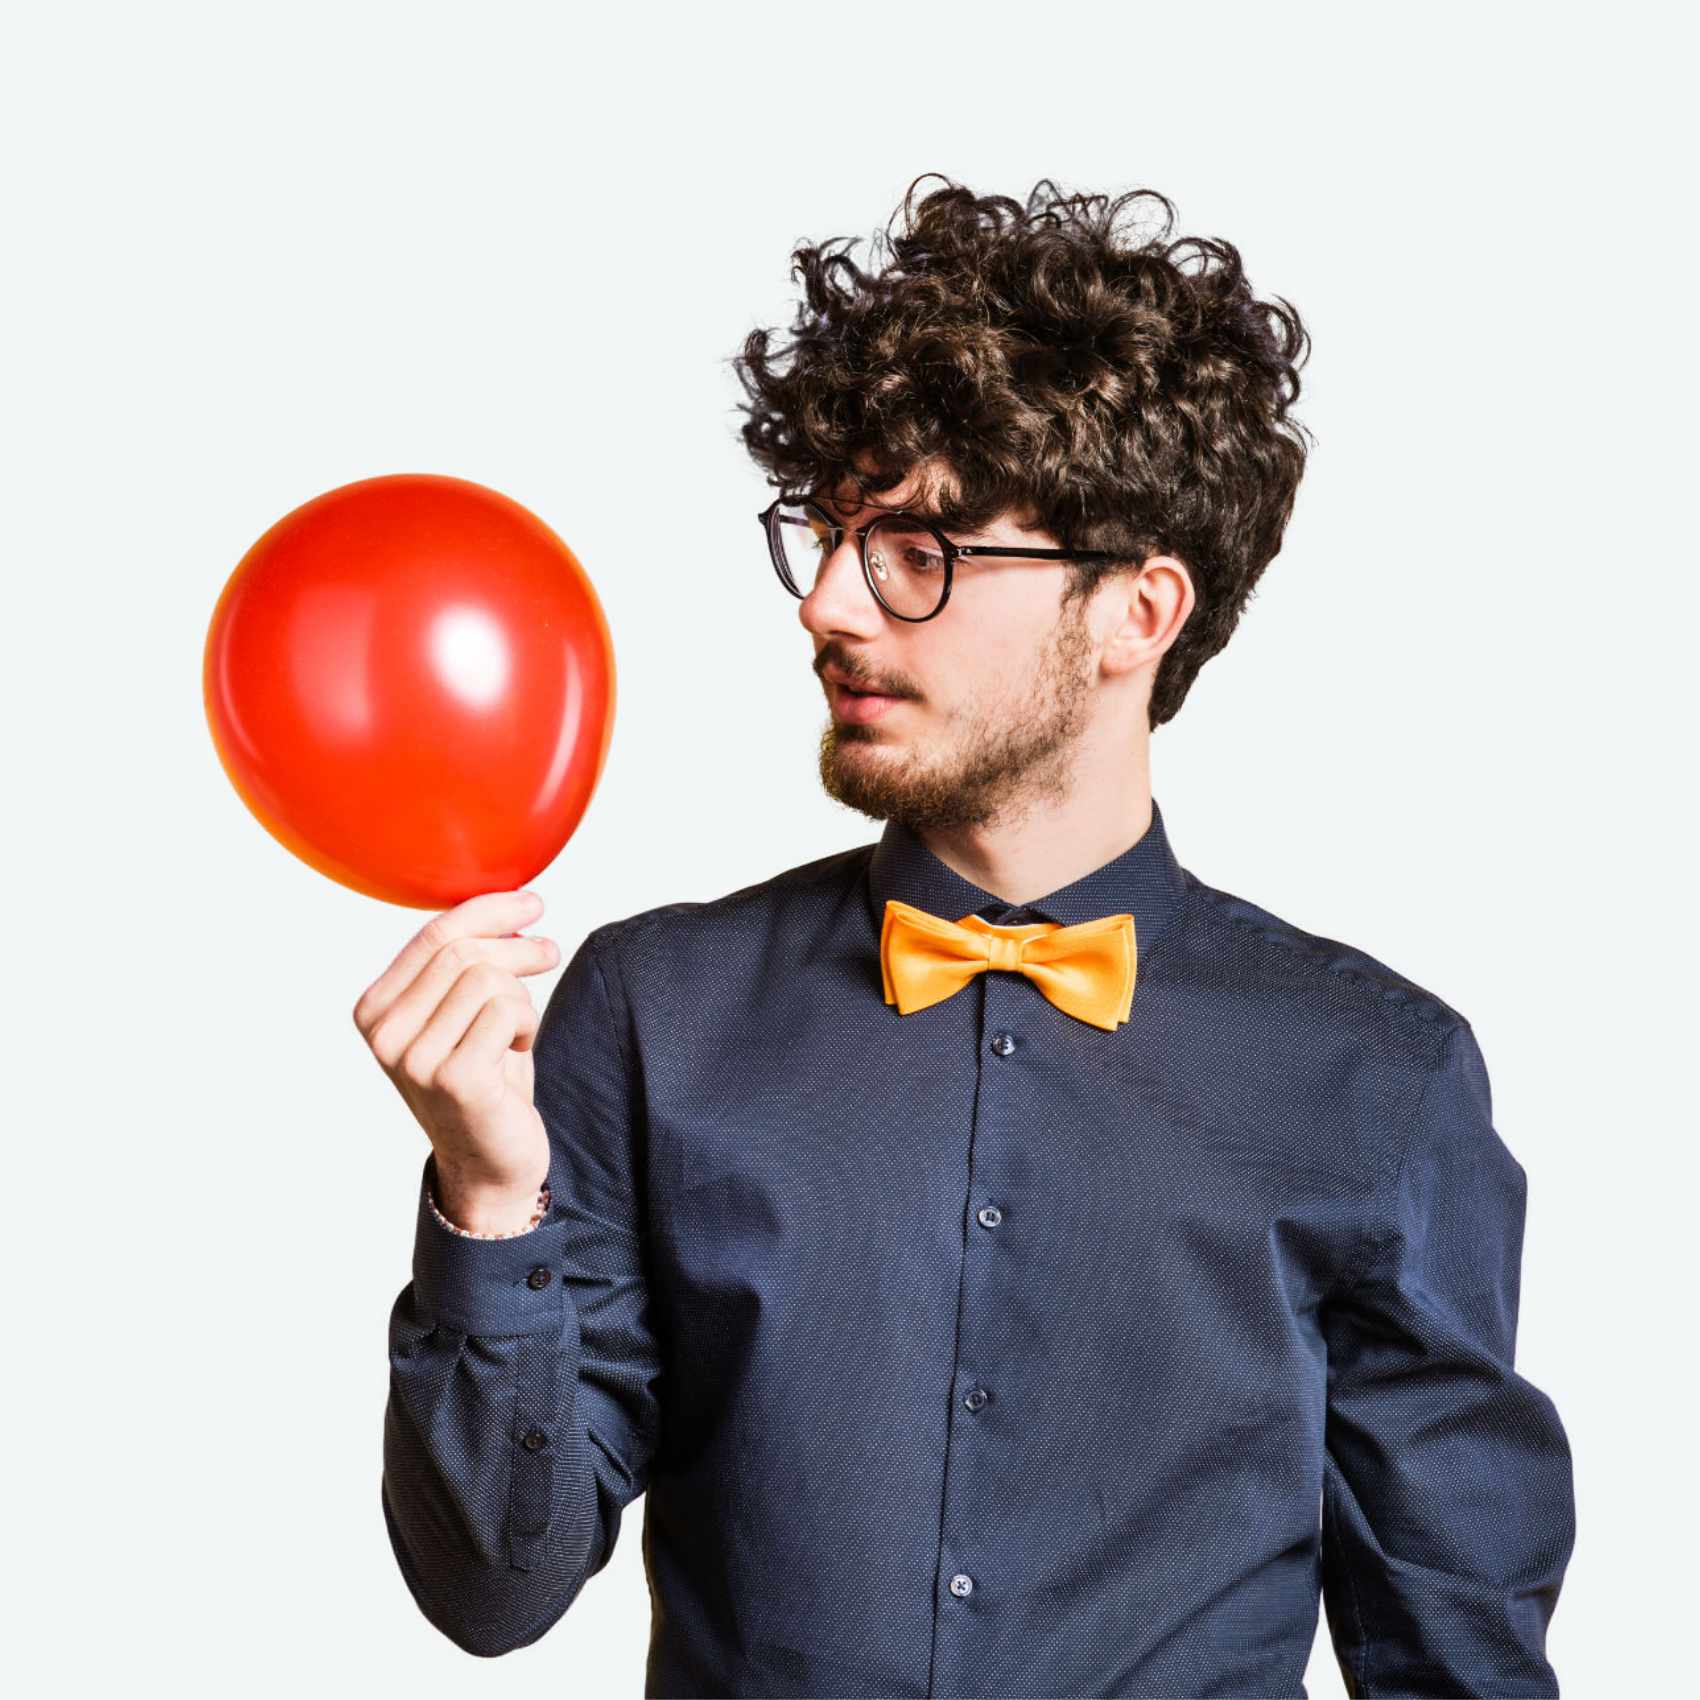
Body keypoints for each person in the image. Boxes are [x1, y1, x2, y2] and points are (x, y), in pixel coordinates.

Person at [360, 175, 1575, 1696]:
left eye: (919, 549)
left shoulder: (1378, 1075)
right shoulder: (652, 1007)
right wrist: (489, 1197)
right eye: (827, 535)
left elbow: (1458, 1659)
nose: (827, 604)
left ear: (1137, 612)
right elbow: (493, 1588)